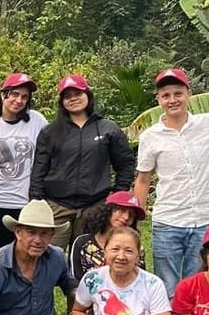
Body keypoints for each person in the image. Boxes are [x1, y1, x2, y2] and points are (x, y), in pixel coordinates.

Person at [134, 68, 209, 299]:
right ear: (158, 99)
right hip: (168, 221)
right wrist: (135, 221)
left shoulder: (208, 123)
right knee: (166, 288)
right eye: (166, 95)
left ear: (188, 93)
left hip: (206, 219)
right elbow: (143, 179)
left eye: (178, 93)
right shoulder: (150, 136)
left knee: (199, 286)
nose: (173, 100)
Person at [30, 74, 135, 250]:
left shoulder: (108, 128)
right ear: (62, 101)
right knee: (47, 256)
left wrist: (116, 196)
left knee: (89, 257)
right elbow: (39, 169)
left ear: (88, 95)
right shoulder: (50, 132)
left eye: (78, 94)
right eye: (68, 96)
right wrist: (37, 202)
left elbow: (125, 164)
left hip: (94, 206)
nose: (73, 99)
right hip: (57, 206)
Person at [0, 73, 47, 268]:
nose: (19, 100)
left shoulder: (37, 121)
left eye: (24, 97)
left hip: (23, 203)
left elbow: (48, 153)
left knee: (22, 260)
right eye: (14, 94)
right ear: (3, 94)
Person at [69, 191, 147, 281]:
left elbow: (141, 281)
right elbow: (75, 280)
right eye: (121, 210)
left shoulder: (137, 249)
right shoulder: (82, 243)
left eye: (132, 215)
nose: (126, 217)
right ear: (108, 210)